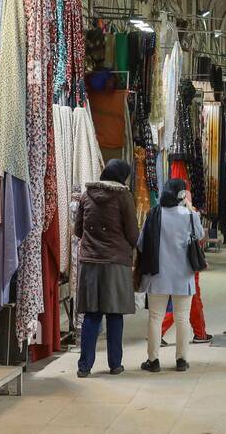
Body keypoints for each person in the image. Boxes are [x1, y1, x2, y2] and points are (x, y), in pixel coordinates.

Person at [73, 159, 138, 377]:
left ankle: (84, 367)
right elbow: (132, 234)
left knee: (91, 316)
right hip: (115, 263)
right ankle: (115, 364)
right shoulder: (124, 197)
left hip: (90, 263)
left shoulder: (86, 195)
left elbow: (78, 230)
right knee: (114, 315)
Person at [136, 178, 205, 372]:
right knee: (182, 317)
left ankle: (153, 360)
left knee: (155, 318)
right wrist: (190, 208)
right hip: (183, 276)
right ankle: (181, 360)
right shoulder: (190, 216)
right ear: (182, 195)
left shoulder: (153, 214)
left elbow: (141, 244)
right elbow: (199, 237)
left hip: (157, 276)